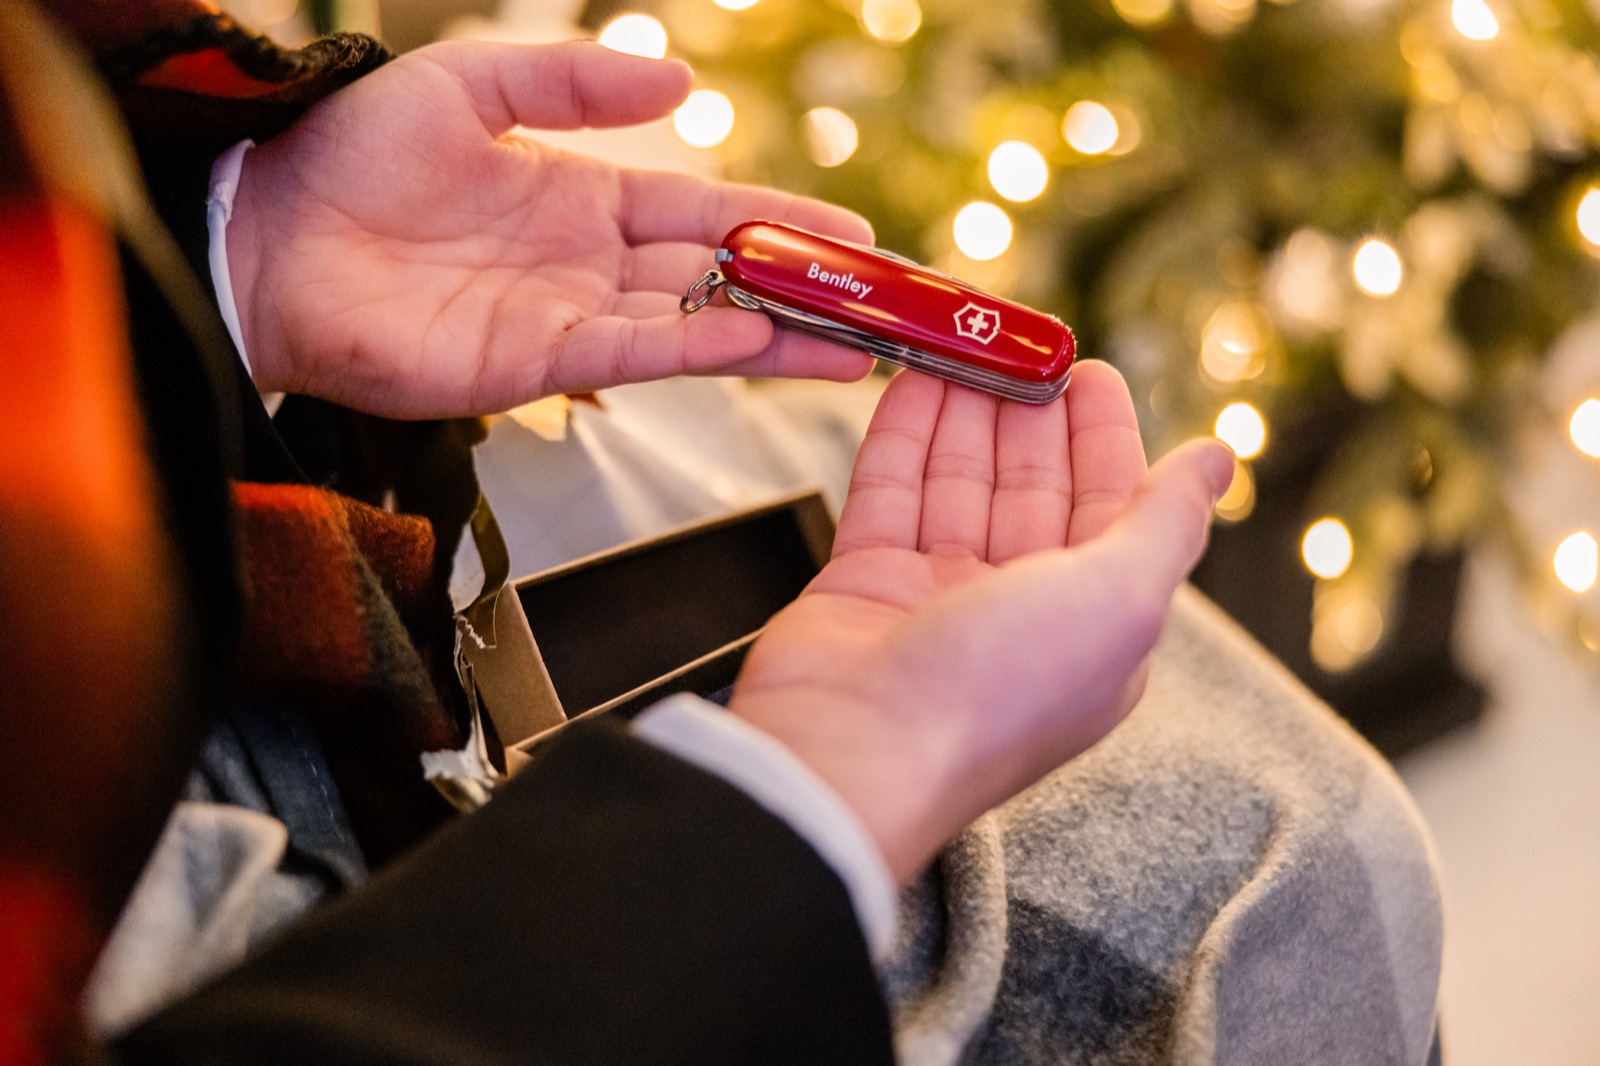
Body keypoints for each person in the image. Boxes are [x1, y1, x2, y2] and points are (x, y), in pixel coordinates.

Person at [1, 3, 1440, 1064]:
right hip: (427, 919)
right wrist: (809, 796)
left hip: (236, 517)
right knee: (1274, 873)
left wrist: (236, 257)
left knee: (1293, 850)